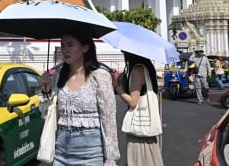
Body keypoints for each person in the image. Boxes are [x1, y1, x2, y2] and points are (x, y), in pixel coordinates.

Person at [40, 29, 120, 165]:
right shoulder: (58, 76)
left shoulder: (100, 76)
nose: (65, 50)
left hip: (91, 151)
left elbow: (109, 118)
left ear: (85, 47)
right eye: (63, 45)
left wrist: (110, 157)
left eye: (70, 45)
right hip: (61, 148)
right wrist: (46, 89)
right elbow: (46, 114)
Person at [114, 52, 164, 166]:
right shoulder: (146, 67)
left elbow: (133, 101)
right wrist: (125, 82)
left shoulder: (137, 69)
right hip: (147, 129)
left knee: (138, 160)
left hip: (139, 132)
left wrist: (118, 88)